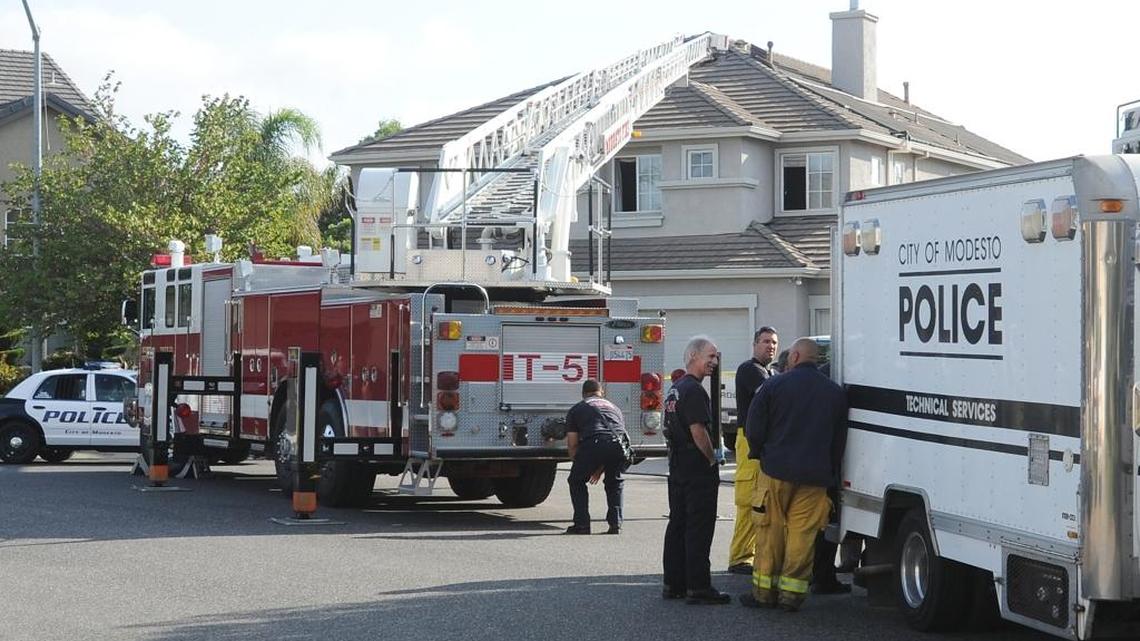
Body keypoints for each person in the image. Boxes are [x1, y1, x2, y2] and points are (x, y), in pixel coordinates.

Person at [740, 338, 848, 612]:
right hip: (815, 478)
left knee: (770, 532)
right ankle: (791, 596)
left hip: (775, 471)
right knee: (803, 537)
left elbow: (753, 427)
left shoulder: (774, 385)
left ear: (796, 355)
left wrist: (760, 453)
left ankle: (764, 595)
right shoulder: (835, 393)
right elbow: (839, 441)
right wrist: (829, 470)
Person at [662, 336, 731, 605]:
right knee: (699, 527)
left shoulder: (676, 388)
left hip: (677, 464)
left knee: (678, 524)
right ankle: (699, 587)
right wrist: (713, 459)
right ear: (693, 356)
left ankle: (674, 583)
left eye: (716, 357)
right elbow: (698, 430)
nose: (714, 362)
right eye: (710, 356)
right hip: (695, 466)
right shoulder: (694, 390)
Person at [727, 327, 779, 575]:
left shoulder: (768, 371)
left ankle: (753, 555)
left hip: (759, 441)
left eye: (774, 342)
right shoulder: (751, 370)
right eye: (766, 341)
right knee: (749, 500)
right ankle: (740, 557)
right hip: (748, 440)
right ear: (755, 344)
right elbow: (771, 395)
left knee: (761, 501)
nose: (771, 346)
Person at [564, 379, 628, 535]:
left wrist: (580, 465)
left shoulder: (577, 409)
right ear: (602, 393)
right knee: (615, 482)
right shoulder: (615, 408)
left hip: (594, 443)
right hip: (619, 446)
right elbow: (614, 436)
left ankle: (582, 525)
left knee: (576, 481)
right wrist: (599, 468)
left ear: (583, 394)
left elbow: (572, 444)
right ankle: (615, 524)